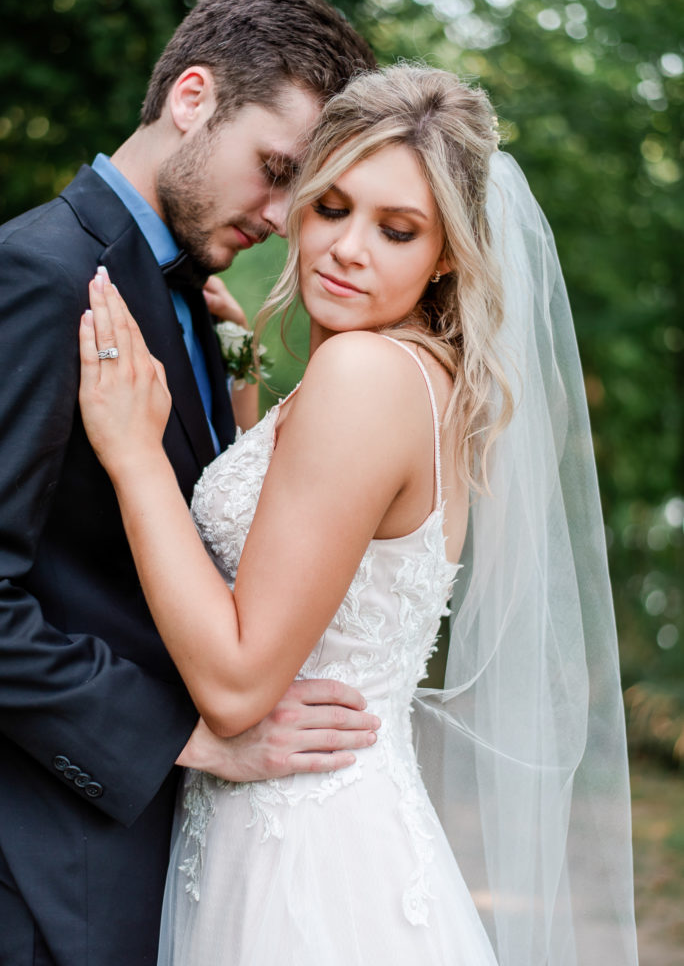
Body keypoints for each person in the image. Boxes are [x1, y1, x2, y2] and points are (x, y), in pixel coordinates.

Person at [78, 64, 639, 964]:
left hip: (305, 864)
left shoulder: (364, 378)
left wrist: (136, 455)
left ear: (448, 253)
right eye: (330, 206)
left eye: (397, 229)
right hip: (312, 822)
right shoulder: (417, 377)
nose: (346, 248)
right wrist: (246, 404)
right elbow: (296, 556)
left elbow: (235, 685)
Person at [0, 0, 378, 966]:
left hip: (158, 868)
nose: (288, 214)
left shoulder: (194, 305)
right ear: (192, 97)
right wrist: (184, 736)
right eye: (276, 168)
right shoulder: (40, 276)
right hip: (45, 879)